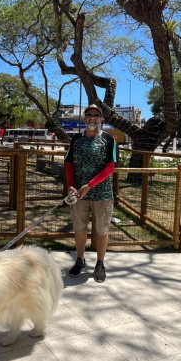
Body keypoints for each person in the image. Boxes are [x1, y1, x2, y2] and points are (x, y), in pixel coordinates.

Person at [64, 103, 117, 282]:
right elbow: (69, 164)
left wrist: (90, 184)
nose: (92, 117)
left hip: (102, 194)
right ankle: (80, 260)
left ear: (101, 119)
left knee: (101, 229)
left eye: (96, 115)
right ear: (85, 118)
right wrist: (71, 186)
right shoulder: (76, 139)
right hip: (79, 194)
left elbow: (110, 167)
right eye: (89, 114)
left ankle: (100, 263)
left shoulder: (108, 139)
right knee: (79, 228)